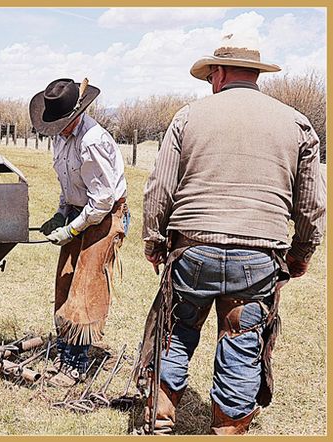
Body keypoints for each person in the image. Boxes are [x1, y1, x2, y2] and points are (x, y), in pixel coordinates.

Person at [136, 35, 326, 434]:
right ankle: (227, 430)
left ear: (219, 73)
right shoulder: (296, 123)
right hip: (257, 260)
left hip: (192, 252)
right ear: (255, 75)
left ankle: (159, 418)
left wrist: (154, 242)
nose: (210, 83)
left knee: (176, 331)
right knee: (241, 340)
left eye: (210, 77)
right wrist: (301, 253)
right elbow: (311, 204)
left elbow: (158, 190)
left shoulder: (187, 116)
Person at [29, 78, 130, 387]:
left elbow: (103, 200)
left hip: (104, 215)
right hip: (78, 210)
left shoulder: (92, 141)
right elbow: (68, 184)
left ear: (74, 115)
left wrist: (71, 229)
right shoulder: (60, 137)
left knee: (85, 286)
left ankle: (76, 364)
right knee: (65, 281)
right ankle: (65, 350)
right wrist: (60, 213)